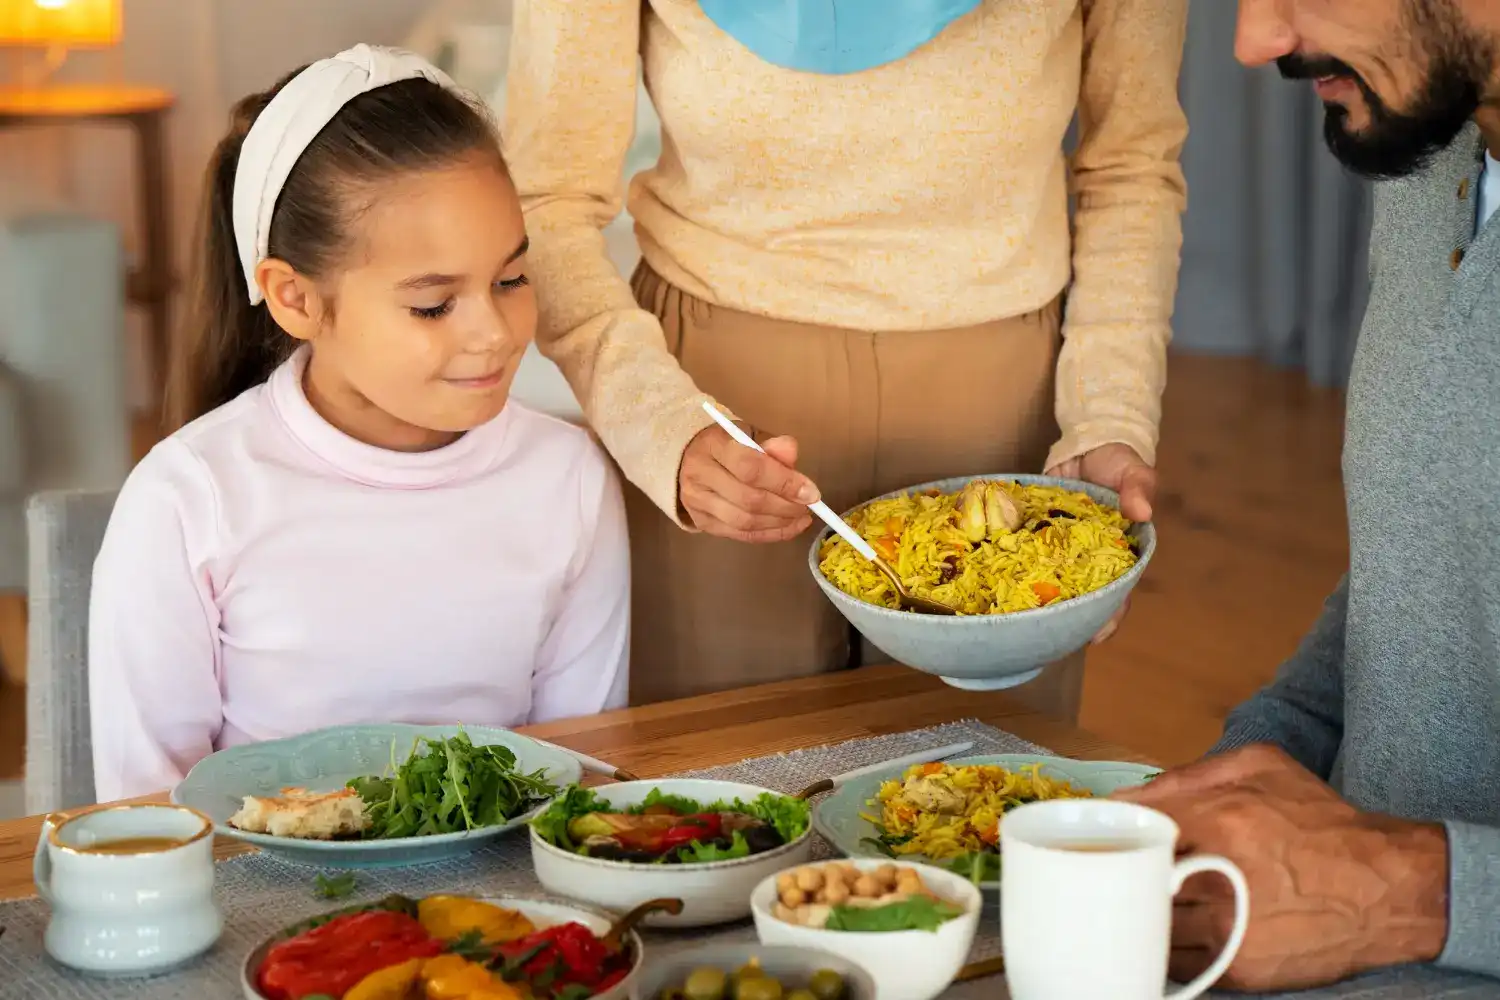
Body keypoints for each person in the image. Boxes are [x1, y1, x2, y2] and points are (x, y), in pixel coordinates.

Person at [502, 0, 1189, 716]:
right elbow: (547, 198)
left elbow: (1132, 171)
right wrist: (654, 424)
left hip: (1004, 410)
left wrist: (1110, 417)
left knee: (984, 791)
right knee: (727, 793)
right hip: (715, 420)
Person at [88, 45, 629, 802]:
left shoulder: (567, 477)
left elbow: (581, 779)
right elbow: (147, 817)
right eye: (433, 304)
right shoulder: (188, 498)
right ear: (297, 298)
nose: (497, 333)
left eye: (511, 279)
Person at [1116, 0, 1500, 989]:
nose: (1256, 42)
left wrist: (1410, 891)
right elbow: (1425, 561)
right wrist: (1247, 761)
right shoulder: (1439, 159)